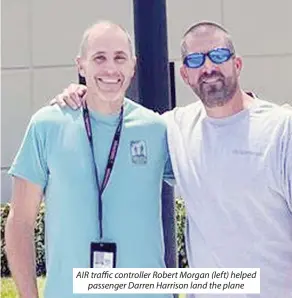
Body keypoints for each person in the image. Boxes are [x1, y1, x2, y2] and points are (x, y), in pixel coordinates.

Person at [52, 21, 292, 298]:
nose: (208, 67)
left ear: (236, 64)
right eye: (196, 60)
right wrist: (84, 94)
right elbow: (118, 125)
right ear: (185, 75)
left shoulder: (286, 129)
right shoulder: (174, 129)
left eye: (219, 55)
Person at [5, 21, 173, 298]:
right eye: (99, 58)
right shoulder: (47, 125)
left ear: (133, 65)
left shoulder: (157, 129)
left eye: (119, 58)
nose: (110, 69)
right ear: (81, 66)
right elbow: (20, 221)